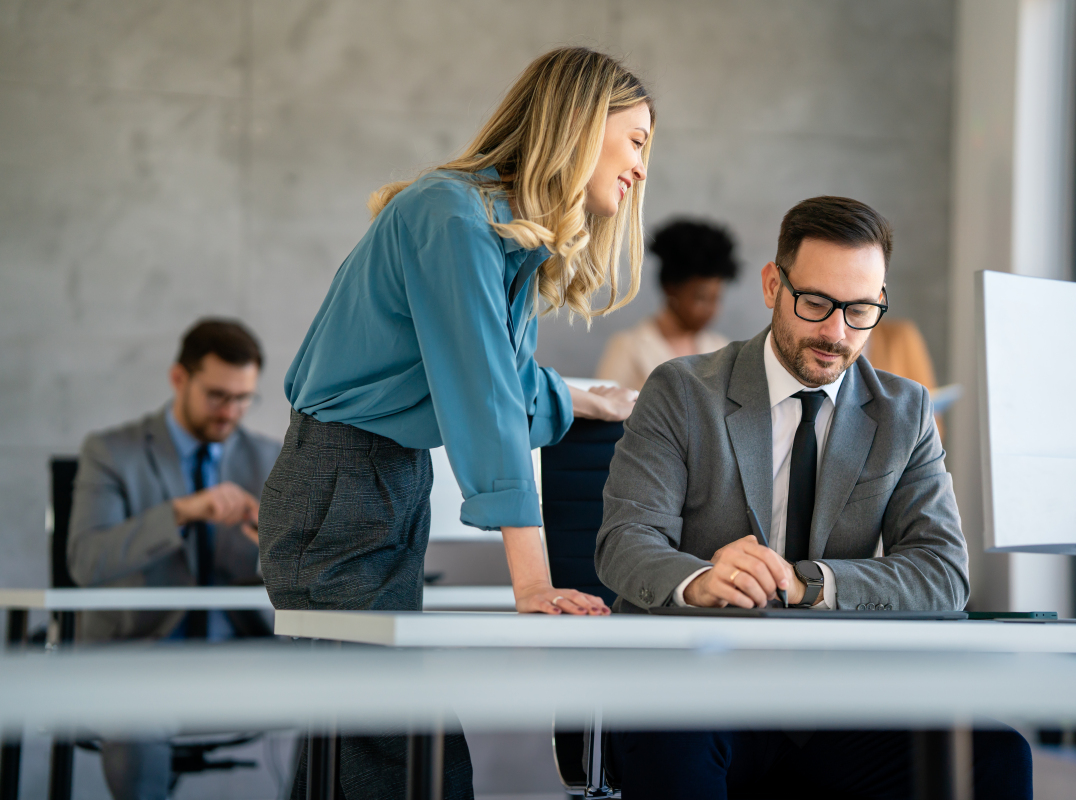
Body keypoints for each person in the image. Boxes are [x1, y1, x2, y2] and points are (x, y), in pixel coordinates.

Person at [258, 47, 653, 799]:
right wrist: (531, 583)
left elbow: (494, 375)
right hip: (341, 482)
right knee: (402, 751)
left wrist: (575, 399)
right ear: (580, 123)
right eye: (634, 139)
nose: (640, 167)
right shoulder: (452, 214)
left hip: (383, 481)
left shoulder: (503, 235)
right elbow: (482, 399)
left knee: (360, 743)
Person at [595, 197, 1032, 799]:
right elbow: (624, 542)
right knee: (674, 747)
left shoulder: (904, 413)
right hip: (696, 685)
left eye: (860, 311)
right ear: (774, 284)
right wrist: (697, 582)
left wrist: (811, 584)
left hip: (832, 700)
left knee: (996, 757)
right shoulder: (681, 391)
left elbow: (943, 574)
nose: (836, 333)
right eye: (817, 304)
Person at [68, 318, 281, 800]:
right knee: (137, 704)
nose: (231, 412)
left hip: (241, 651)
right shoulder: (111, 453)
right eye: (217, 395)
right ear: (179, 379)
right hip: (138, 653)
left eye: (244, 398)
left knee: (348, 679)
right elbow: (86, 560)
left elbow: (300, 575)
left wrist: (270, 544)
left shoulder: (270, 458)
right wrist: (179, 512)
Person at [595, 218, 737, 390]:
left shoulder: (722, 350)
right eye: (701, 298)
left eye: (716, 298)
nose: (711, 310)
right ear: (671, 289)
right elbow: (606, 411)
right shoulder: (628, 348)